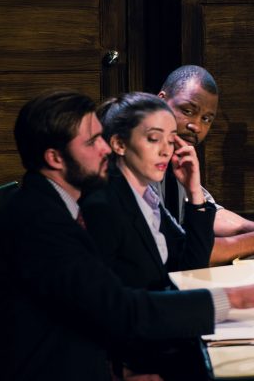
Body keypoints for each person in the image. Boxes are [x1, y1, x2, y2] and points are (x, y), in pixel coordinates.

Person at [0, 90, 254, 381]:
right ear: (55, 158)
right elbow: (119, 308)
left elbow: (87, 306)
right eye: (92, 142)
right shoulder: (44, 221)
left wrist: (120, 375)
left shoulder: (51, 206)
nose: (104, 148)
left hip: (95, 377)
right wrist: (234, 299)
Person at [155, 65, 254, 264]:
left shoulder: (178, 157)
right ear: (160, 101)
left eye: (206, 119)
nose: (196, 126)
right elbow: (183, 252)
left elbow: (210, 213)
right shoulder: (143, 160)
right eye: (187, 111)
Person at [81, 92, 215, 292]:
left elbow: (191, 270)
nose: (166, 151)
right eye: (154, 139)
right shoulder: (102, 205)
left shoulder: (146, 197)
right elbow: (107, 301)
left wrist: (194, 191)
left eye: (171, 141)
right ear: (119, 144)